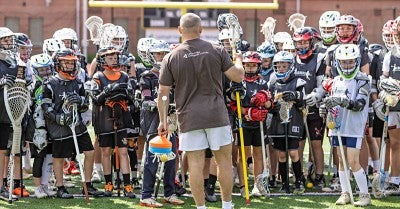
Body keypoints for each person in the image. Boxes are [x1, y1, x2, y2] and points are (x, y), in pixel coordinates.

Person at [157, 13, 244, 209]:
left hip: (189, 118)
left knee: (194, 164)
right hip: (216, 115)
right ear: (201, 29)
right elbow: (238, 77)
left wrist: (163, 120)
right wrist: (239, 60)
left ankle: (200, 207)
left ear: (180, 31)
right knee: (223, 162)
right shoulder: (217, 49)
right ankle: (227, 205)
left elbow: (163, 94)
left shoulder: (171, 57)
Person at [41, 48, 103, 199]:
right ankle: (60, 187)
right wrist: (58, 118)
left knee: (89, 152)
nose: (70, 65)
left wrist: (80, 100)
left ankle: (87, 185)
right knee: (59, 157)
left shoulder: (78, 83)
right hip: (59, 127)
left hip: (77, 124)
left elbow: (85, 103)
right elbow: (45, 106)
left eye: (72, 62)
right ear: (57, 64)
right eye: (66, 62)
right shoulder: (50, 83)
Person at [322, 44, 371, 206]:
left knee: (353, 160)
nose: (347, 65)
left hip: (354, 126)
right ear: (338, 63)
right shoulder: (336, 80)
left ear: (357, 61)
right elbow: (332, 102)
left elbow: (360, 104)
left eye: (350, 62)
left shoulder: (363, 79)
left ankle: (364, 195)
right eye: (343, 62)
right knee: (341, 161)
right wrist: (326, 106)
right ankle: (345, 193)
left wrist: (342, 101)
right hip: (338, 126)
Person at [138, 39, 184, 207]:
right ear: (151, 56)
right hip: (154, 124)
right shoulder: (147, 76)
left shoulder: (174, 76)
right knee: (153, 161)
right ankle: (146, 195)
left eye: (164, 54)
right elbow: (146, 101)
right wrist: (162, 107)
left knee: (171, 159)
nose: (161, 57)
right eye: (158, 53)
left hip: (171, 123)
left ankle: (169, 193)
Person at [89, 47, 136, 198]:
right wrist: (108, 91)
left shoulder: (123, 76)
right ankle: (108, 183)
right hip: (104, 119)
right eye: (110, 58)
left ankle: (127, 185)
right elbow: (95, 99)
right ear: (102, 60)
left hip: (120, 118)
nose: (114, 60)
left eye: (115, 57)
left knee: (123, 151)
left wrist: (124, 93)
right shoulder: (98, 76)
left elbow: (131, 98)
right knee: (105, 152)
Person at [229, 51, 273, 197]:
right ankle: (243, 186)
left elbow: (269, 105)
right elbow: (233, 104)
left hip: (259, 124)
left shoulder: (263, 82)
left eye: (253, 66)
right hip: (244, 123)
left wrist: (265, 98)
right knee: (243, 156)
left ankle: (258, 185)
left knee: (259, 154)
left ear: (258, 66)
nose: (250, 68)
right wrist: (248, 113)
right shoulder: (238, 80)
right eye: (247, 65)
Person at [269, 51, 306, 194]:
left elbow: (303, 99)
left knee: (293, 152)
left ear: (291, 66)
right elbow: (269, 104)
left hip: (293, 122)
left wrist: (296, 96)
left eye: (284, 66)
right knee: (282, 155)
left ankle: (298, 181)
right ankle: (284, 183)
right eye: (278, 66)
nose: (281, 69)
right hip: (278, 123)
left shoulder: (298, 81)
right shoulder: (273, 83)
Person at [26, 53, 57, 198]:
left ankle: (45, 185)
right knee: (39, 157)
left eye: (47, 69)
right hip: (37, 128)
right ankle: (38, 187)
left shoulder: (53, 84)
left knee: (50, 157)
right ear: (35, 70)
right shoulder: (33, 86)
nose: (45, 72)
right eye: (42, 70)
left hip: (51, 126)